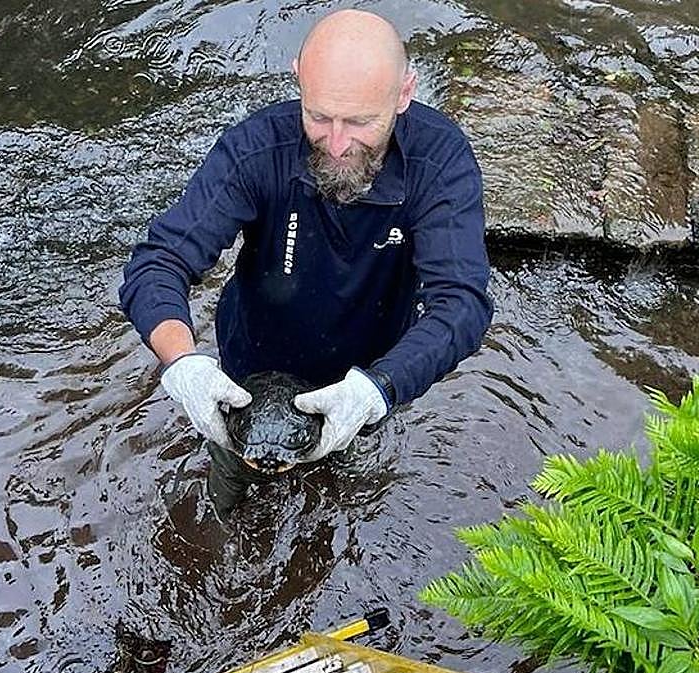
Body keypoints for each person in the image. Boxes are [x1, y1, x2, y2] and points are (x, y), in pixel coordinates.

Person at [119, 9, 493, 512]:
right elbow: (159, 262)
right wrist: (183, 365)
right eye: (319, 117)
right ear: (298, 78)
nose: (338, 143)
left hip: (367, 371)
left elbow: (460, 305)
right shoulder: (256, 149)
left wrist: (376, 390)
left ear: (404, 94)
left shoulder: (440, 161)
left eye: (361, 122)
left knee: (341, 502)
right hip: (250, 370)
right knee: (228, 492)